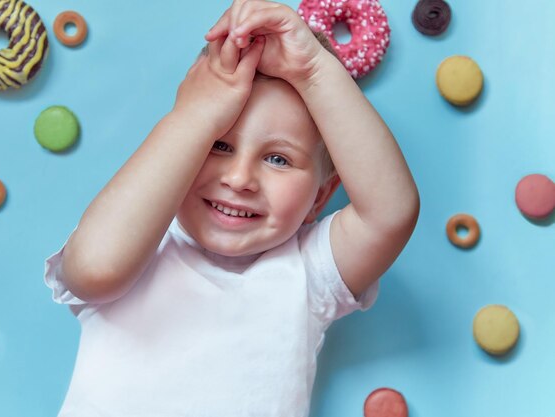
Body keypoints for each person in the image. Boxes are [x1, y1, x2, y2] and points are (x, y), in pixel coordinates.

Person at [44, 1, 419, 415]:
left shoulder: (308, 274)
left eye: (278, 159)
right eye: (218, 144)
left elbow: (390, 214)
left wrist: (313, 70)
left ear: (319, 197)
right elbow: (94, 271)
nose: (239, 178)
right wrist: (197, 113)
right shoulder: (135, 244)